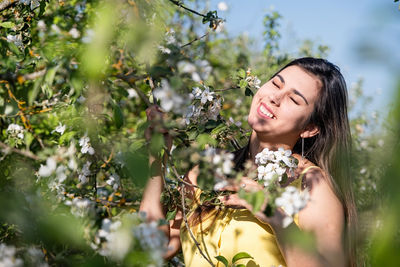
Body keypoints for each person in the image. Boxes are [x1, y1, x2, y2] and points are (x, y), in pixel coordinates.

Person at [140, 57, 357, 267]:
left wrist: (274, 215)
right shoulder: (207, 171)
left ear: (310, 128)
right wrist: (156, 157)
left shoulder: (312, 186)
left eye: (294, 99)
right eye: (276, 83)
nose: (275, 97)